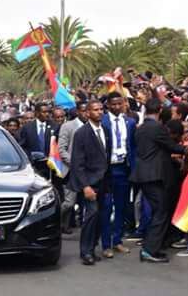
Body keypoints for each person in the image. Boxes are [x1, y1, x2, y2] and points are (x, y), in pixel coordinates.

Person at [130, 98, 186, 263]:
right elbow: (172, 147)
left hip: (144, 175)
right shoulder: (157, 128)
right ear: (160, 111)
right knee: (161, 211)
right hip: (153, 176)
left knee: (158, 211)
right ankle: (149, 250)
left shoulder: (141, 128)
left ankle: (153, 246)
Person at [69, 100, 111, 265]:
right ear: (87, 113)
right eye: (95, 109)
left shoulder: (105, 130)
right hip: (89, 182)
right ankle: (85, 252)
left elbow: (106, 156)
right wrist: (85, 186)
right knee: (91, 215)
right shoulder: (81, 133)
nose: (99, 112)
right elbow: (77, 163)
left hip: (104, 182)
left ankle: (92, 248)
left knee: (101, 216)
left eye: (101, 109)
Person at [100, 92, 137, 257]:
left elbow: (133, 147)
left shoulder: (130, 122)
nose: (116, 107)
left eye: (119, 104)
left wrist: (133, 168)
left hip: (123, 169)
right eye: (113, 104)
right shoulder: (102, 121)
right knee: (106, 207)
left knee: (122, 206)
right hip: (107, 170)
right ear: (108, 105)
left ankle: (117, 240)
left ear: (124, 104)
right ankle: (105, 244)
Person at [57, 108, 83, 233]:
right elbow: (62, 150)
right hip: (72, 170)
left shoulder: (94, 126)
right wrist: (74, 163)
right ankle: (56, 223)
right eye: (83, 111)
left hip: (89, 171)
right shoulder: (68, 126)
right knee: (69, 202)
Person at [18, 102, 58, 177]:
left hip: (50, 166)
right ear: (37, 113)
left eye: (48, 112)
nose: (47, 114)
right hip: (34, 165)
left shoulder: (55, 126)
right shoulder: (27, 128)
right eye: (44, 112)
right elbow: (23, 146)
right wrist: (30, 156)